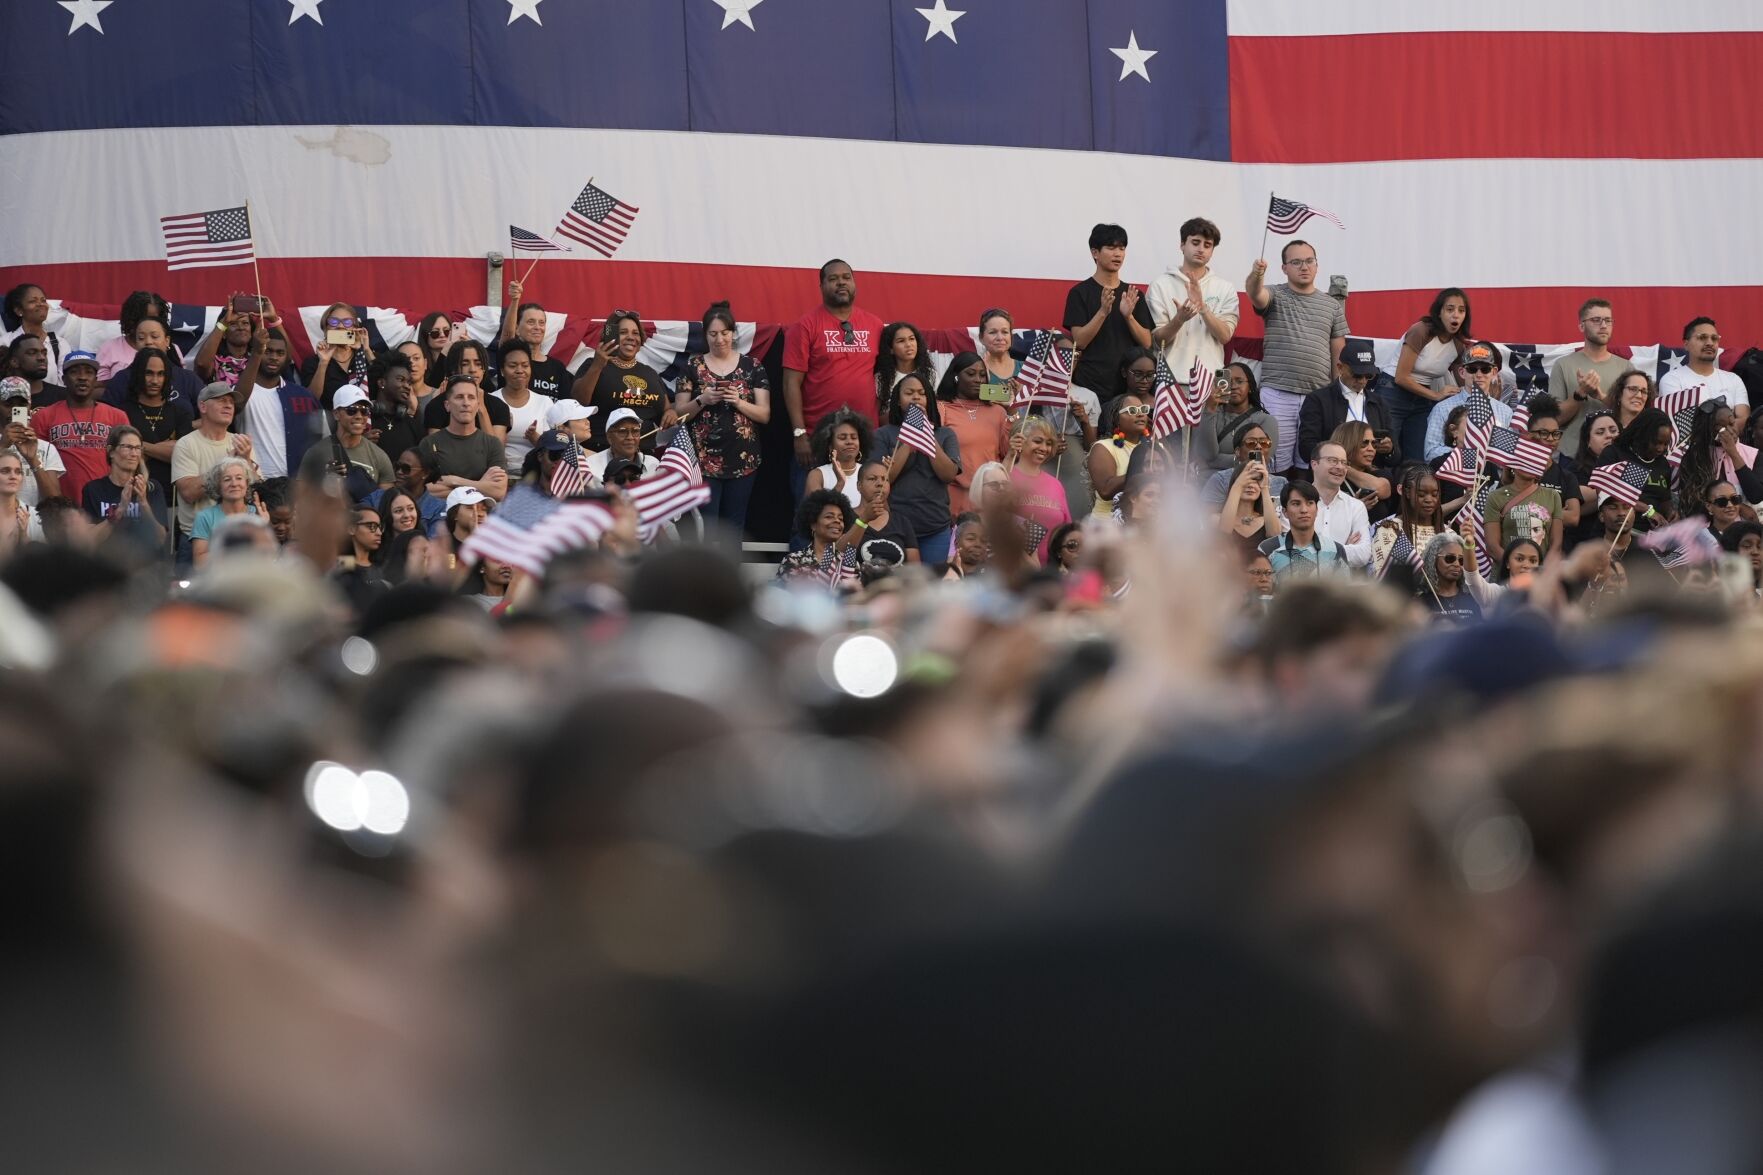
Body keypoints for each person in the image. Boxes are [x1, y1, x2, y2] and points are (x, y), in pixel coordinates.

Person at [1246, 240, 1349, 475]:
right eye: (1296, 262)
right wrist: (1256, 274)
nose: (1304, 266)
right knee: (1274, 463)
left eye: (1309, 261)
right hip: (1278, 392)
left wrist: (1336, 392)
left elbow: (1338, 352)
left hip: (1318, 396)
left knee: (1311, 463)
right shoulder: (1274, 293)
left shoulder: (1331, 305)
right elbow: (1255, 294)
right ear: (1284, 268)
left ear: (1317, 265)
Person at [783, 261, 884, 490]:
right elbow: (791, 384)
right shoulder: (805, 326)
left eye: (846, 277)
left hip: (864, 440)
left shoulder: (875, 325)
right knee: (813, 517)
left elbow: (883, 379)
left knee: (864, 513)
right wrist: (799, 434)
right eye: (833, 278)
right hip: (817, 440)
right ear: (821, 286)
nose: (841, 283)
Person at [672, 301, 771, 533]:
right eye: (713, 334)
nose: (719, 339)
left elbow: (765, 414)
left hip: (743, 460)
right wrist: (702, 400)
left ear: (733, 333)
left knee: (735, 527)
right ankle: (706, 570)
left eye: (725, 333)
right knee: (706, 526)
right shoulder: (692, 366)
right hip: (703, 461)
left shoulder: (752, 366)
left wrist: (738, 402)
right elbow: (678, 413)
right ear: (705, 335)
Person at [875, 373, 963, 563]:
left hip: (935, 527)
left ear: (928, 400)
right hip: (896, 527)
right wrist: (909, 440)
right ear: (898, 401)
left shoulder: (946, 435)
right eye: (909, 393)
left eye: (921, 393)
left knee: (933, 586)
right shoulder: (883, 435)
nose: (916, 397)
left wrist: (926, 436)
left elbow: (948, 475)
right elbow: (883, 480)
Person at [1063, 223, 1154, 403]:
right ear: (1095, 253)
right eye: (1111, 248)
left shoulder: (1133, 294)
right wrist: (1103, 311)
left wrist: (1129, 317)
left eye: (1121, 248)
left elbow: (1146, 342)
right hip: (1090, 384)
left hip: (1127, 386)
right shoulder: (1079, 293)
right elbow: (1079, 341)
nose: (1118, 254)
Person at [1147, 216, 1239, 392]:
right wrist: (1179, 319)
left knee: (1215, 421)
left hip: (1213, 382)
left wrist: (1203, 308)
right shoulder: (1160, 284)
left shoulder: (1225, 288)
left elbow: (1225, 336)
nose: (1201, 249)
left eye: (1207, 245)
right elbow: (1157, 340)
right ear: (1182, 245)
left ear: (1212, 250)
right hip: (1171, 381)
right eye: (1195, 242)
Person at [30, 350, 128, 508]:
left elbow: (128, 461)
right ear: (64, 379)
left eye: (89, 372)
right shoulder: (43, 416)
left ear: (96, 380)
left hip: (107, 504)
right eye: (75, 372)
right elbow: (36, 462)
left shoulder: (117, 417)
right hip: (60, 504)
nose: (82, 377)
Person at [170, 381, 257, 556]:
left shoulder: (241, 442)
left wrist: (246, 460)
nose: (228, 405)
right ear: (202, 406)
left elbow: (255, 492)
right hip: (198, 539)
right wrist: (226, 464)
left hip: (237, 537)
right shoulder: (186, 444)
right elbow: (188, 493)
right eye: (220, 400)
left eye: (231, 402)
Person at [1388, 288, 1471, 460]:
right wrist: (1435, 395)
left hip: (1422, 398)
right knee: (1388, 452)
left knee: (1417, 457)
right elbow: (1401, 377)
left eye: (1461, 310)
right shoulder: (1421, 330)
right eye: (1450, 309)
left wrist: (1486, 394)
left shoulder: (1459, 346)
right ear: (1439, 313)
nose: (1456, 315)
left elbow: (1464, 382)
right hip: (1392, 391)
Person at [1298, 339, 1399, 468]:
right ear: (1340, 368)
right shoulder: (1318, 399)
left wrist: (1389, 449)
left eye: (1369, 375)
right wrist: (1337, 459)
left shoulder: (1379, 403)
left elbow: (1396, 457)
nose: (1362, 381)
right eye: (1357, 375)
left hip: (1371, 472)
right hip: (1332, 470)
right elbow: (1306, 448)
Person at [1550, 299, 1632, 457]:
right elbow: (1555, 420)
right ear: (1581, 325)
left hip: (1615, 456)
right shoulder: (1562, 365)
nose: (1603, 325)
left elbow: (1630, 417)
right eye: (1596, 320)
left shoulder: (1626, 368)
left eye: (1608, 320)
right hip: (1571, 456)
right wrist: (1580, 393)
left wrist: (1601, 397)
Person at [936, 352, 1011, 517]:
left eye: (983, 375)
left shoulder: (998, 411)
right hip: (952, 496)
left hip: (989, 498)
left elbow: (1008, 452)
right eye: (971, 374)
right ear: (956, 376)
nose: (978, 379)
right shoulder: (942, 408)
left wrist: (1011, 410)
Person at [417, 376, 509, 502]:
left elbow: (498, 491)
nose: (466, 403)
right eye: (459, 397)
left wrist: (454, 481)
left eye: (471, 397)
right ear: (447, 405)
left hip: (481, 517)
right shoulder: (429, 443)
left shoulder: (492, 444)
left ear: (477, 405)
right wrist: (481, 485)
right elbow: (426, 489)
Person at [297, 385, 394, 503]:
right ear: (336, 414)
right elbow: (301, 499)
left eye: (364, 411)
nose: (359, 416)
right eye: (351, 410)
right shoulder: (316, 453)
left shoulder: (379, 456)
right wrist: (325, 481)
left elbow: (385, 506)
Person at [1423, 342, 1514, 462]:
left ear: (1494, 372)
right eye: (1472, 369)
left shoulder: (1505, 411)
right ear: (1462, 372)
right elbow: (1431, 452)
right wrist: (1471, 456)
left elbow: (1509, 454)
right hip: (1454, 476)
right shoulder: (1442, 408)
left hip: (1492, 478)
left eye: (1485, 369)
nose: (1479, 374)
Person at [1675, 398, 1762, 515]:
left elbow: (1756, 496)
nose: (1731, 431)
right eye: (1722, 428)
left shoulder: (1754, 455)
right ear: (1708, 430)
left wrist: (1733, 453)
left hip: (1745, 528)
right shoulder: (1695, 457)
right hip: (1708, 528)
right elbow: (1692, 504)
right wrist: (1738, 507)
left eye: (1732, 423)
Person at [81, 426, 168, 542]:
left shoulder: (152, 488)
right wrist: (120, 510)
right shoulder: (93, 489)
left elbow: (160, 540)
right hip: (107, 558)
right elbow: (89, 541)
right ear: (111, 451)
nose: (134, 454)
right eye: (128, 447)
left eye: (138, 448)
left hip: (145, 558)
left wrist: (143, 503)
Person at [1661, 316, 1750, 424]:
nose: (1710, 343)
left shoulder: (1734, 379)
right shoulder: (1671, 379)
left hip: (1731, 440)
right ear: (1686, 344)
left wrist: (1725, 436)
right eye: (1702, 337)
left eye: (1714, 338)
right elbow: (1679, 423)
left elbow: (1742, 418)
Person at [101, 318, 205, 407]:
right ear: (136, 344)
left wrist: (186, 426)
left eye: (154, 336)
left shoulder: (188, 379)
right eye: (141, 338)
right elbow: (107, 417)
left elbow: (208, 413)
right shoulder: (122, 379)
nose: (148, 342)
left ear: (167, 341)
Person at [1485, 450, 1565, 564]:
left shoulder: (1552, 496)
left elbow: (1556, 544)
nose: (1530, 463)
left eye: (1534, 460)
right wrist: (1516, 566)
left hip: (1540, 577)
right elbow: (1492, 547)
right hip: (1505, 577)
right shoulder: (1495, 497)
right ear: (1512, 463)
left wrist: (1541, 571)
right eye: (1525, 458)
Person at [1258, 481, 1349, 582]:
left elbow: (1345, 593)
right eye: (1296, 504)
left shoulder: (1336, 549)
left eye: (1310, 503)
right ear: (1285, 512)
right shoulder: (1267, 549)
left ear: (1317, 510)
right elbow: (1260, 591)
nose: (1304, 510)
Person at [1601, 407, 1676, 528]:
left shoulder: (1662, 463)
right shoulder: (1615, 454)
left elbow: (1664, 499)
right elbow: (1606, 494)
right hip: (1621, 530)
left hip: (1654, 535)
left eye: (1665, 444)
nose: (1660, 448)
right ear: (1643, 435)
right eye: (1656, 442)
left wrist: (1670, 512)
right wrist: (1647, 510)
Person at [839, 461, 920, 570]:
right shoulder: (844, 517)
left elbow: (915, 569)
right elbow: (837, 554)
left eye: (885, 479)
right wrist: (863, 520)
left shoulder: (902, 522)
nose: (880, 483)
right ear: (859, 486)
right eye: (872, 479)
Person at [423, 339, 511, 440]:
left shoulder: (499, 406)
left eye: (478, 364)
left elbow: (496, 451)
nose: (473, 370)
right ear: (453, 369)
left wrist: (482, 409)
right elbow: (434, 451)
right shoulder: (436, 406)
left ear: (484, 369)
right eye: (465, 364)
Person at [496, 289, 574, 399]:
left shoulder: (558, 367)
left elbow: (566, 407)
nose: (537, 327)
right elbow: (507, 339)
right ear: (517, 329)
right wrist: (514, 300)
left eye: (541, 323)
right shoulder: (510, 359)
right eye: (531, 322)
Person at [1370, 467, 1446, 578]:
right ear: (1407, 492)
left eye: (1434, 495)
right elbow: (1383, 579)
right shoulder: (1389, 530)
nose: (1429, 499)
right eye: (1421, 494)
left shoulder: (1448, 533)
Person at [492, 339, 556, 472]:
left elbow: (553, 449)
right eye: (513, 366)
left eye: (525, 365)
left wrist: (536, 439)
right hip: (500, 475)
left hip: (535, 476)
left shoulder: (544, 402)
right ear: (502, 371)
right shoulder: (491, 400)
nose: (520, 370)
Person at [1217, 432, 1282, 559]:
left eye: (1256, 481)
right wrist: (1237, 487)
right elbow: (1224, 531)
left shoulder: (1267, 520)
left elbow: (1275, 534)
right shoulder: (1217, 519)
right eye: (1247, 480)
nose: (1251, 485)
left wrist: (1264, 487)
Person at [1521, 396, 1582, 531]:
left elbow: (1573, 518)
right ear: (1529, 436)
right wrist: (1557, 511)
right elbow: (1506, 509)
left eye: (1555, 434)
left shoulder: (1567, 477)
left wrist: (1529, 510)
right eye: (1544, 433)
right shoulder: (1516, 472)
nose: (1551, 439)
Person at [1309, 440, 1373, 569]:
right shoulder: (1296, 502)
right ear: (1314, 464)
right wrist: (1343, 548)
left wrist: (1316, 551)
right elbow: (1291, 553)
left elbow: (1363, 555)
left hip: (1343, 587)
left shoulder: (1356, 507)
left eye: (1344, 463)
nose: (1340, 467)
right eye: (1333, 460)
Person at [0, 377, 64, 508]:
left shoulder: (46, 448)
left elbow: (55, 502)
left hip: (35, 525)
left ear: (30, 406)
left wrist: (33, 459)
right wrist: (2, 447)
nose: (14, 410)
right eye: (8, 404)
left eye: (21, 404)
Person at [1205, 362, 1277, 473]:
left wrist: (1213, 461)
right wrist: (1209, 410)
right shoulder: (1210, 414)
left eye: (1239, 381)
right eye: (1228, 382)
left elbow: (1259, 460)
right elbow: (1204, 454)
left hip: (1248, 480)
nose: (1233, 386)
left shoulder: (1265, 420)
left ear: (1250, 387)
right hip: (1208, 481)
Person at [189, 456, 260, 568]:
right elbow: (200, 562)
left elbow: (269, 556)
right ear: (218, 486)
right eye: (227, 479)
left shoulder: (259, 514)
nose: (234, 483)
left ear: (247, 483)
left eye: (239, 478)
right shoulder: (205, 517)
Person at [301, 301, 373, 410]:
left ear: (355, 328)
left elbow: (383, 384)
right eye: (334, 322)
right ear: (325, 329)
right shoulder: (313, 362)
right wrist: (323, 362)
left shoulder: (364, 358)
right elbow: (311, 401)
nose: (340, 326)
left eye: (347, 322)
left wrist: (366, 350)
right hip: (329, 423)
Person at [1088, 391, 1148, 518]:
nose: (1140, 414)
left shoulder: (1153, 448)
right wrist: (1141, 470)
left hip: (1141, 526)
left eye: (1143, 409)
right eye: (1132, 410)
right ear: (1117, 419)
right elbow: (1105, 490)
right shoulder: (1104, 447)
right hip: (1108, 525)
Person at [775, 489, 856, 582]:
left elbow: (861, 596)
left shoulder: (848, 562)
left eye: (841, 518)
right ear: (813, 524)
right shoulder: (794, 560)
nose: (837, 521)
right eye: (829, 517)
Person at [1204, 421, 1287, 508]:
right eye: (1251, 443)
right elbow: (1208, 518)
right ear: (1238, 452)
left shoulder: (1281, 483)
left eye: (1264, 442)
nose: (1259, 447)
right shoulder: (1220, 480)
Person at [365, 349, 424, 466]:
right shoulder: (365, 419)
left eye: (409, 382)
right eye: (400, 380)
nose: (407, 386)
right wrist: (361, 443)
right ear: (382, 383)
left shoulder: (412, 422)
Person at [1419, 531, 1494, 622]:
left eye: (1462, 560)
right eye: (1450, 558)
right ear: (1433, 559)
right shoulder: (1421, 603)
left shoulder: (1475, 598)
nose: (1457, 564)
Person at [803, 409, 871, 509]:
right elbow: (816, 513)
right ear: (830, 445)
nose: (849, 442)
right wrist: (840, 484)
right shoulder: (817, 475)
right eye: (842, 438)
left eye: (854, 437)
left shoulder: (869, 472)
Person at [95, 290, 170, 380]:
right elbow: (99, 388)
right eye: (143, 318)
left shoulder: (173, 350)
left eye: (154, 318)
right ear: (131, 318)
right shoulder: (109, 348)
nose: (148, 323)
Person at [1, 283, 61, 386]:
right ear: (19, 310)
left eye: (43, 300)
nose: (40, 304)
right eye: (33, 301)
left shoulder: (60, 344)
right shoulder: (5, 342)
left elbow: (64, 386)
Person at [874, 322, 934, 422]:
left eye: (912, 339)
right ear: (891, 349)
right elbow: (876, 417)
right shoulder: (881, 378)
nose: (909, 345)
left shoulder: (931, 375)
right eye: (901, 341)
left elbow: (938, 412)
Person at [193, 297, 260, 387]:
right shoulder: (215, 363)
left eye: (245, 323)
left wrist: (274, 319)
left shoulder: (259, 359)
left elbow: (284, 359)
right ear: (223, 334)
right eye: (233, 324)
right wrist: (223, 323)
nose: (240, 327)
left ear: (251, 331)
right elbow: (201, 364)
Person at [1329, 421, 1392, 514]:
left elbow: (1382, 489)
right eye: (1364, 443)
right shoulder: (1329, 477)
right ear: (1347, 443)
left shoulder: (1380, 474)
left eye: (1374, 444)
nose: (1371, 449)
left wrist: (1344, 467)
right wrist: (1353, 510)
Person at [585, 408, 660, 482]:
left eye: (635, 431)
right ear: (609, 437)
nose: (630, 437)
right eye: (622, 431)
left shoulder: (653, 465)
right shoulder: (590, 466)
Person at [0, 450, 44, 549]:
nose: (13, 476)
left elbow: (45, 561)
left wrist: (24, 539)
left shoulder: (36, 517)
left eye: (18, 472)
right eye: (5, 471)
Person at [978, 309, 1021, 394]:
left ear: (1011, 337)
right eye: (993, 332)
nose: (1000, 338)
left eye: (1005, 332)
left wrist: (1021, 396)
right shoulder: (973, 371)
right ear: (981, 338)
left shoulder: (1026, 369)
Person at [413, 311, 457, 390]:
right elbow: (433, 386)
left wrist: (470, 350)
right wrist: (445, 351)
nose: (442, 335)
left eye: (447, 331)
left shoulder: (457, 359)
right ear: (425, 335)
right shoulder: (418, 361)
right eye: (435, 333)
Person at [941, 511, 990, 580]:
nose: (978, 544)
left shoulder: (993, 574)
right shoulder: (946, 576)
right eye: (971, 539)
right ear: (956, 542)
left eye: (983, 540)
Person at [1605, 369, 1655, 434]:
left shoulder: (1653, 430)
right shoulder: (1605, 427)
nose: (1639, 396)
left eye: (1644, 391)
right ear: (1619, 393)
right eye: (1633, 389)